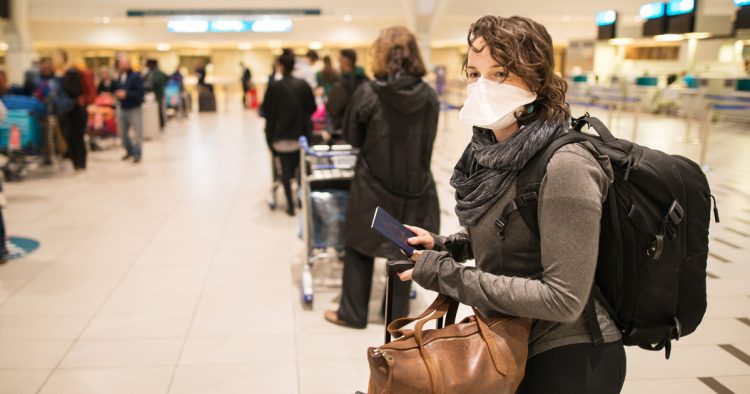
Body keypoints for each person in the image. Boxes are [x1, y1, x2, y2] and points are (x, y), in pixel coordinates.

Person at [397, 16, 625, 393]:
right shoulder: (488, 151)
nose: (482, 86)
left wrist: (447, 276)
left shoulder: (566, 165)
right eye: (473, 73)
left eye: (500, 73)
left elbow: (563, 298)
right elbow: (513, 231)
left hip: (567, 357)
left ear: (536, 79)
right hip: (509, 339)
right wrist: (446, 246)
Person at [324, 26, 440, 329]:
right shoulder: (429, 96)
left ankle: (352, 313)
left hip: (371, 185)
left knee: (359, 247)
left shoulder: (369, 93)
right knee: (406, 250)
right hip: (416, 186)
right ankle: (396, 317)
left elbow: (352, 136)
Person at [260, 51, 316, 216]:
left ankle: (290, 206)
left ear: (281, 67)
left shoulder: (274, 87)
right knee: (299, 168)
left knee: (284, 170)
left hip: (279, 137)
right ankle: (299, 200)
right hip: (300, 137)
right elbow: (311, 109)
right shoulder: (303, 85)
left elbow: (266, 111)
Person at [54, 50, 89, 171]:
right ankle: (77, 162)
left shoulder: (73, 74)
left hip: (76, 111)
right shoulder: (62, 76)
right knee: (71, 137)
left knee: (77, 138)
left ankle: (80, 163)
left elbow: (74, 91)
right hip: (69, 111)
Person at [326, 49, 368, 134]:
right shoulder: (366, 80)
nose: (339, 64)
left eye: (339, 60)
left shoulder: (341, 83)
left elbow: (332, 108)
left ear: (345, 61)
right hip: (364, 127)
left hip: (344, 129)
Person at [114, 55, 145, 163]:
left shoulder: (136, 77)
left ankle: (137, 153)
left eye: (124, 63)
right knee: (122, 133)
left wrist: (127, 94)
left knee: (137, 133)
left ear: (129, 63)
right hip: (122, 108)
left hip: (134, 108)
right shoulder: (119, 77)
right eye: (121, 63)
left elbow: (140, 93)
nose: (122, 65)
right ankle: (129, 151)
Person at [144, 59, 167, 130]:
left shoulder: (156, 72)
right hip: (156, 94)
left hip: (157, 94)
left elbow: (153, 83)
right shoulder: (152, 72)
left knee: (158, 110)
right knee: (158, 110)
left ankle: (160, 125)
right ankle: (159, 124)